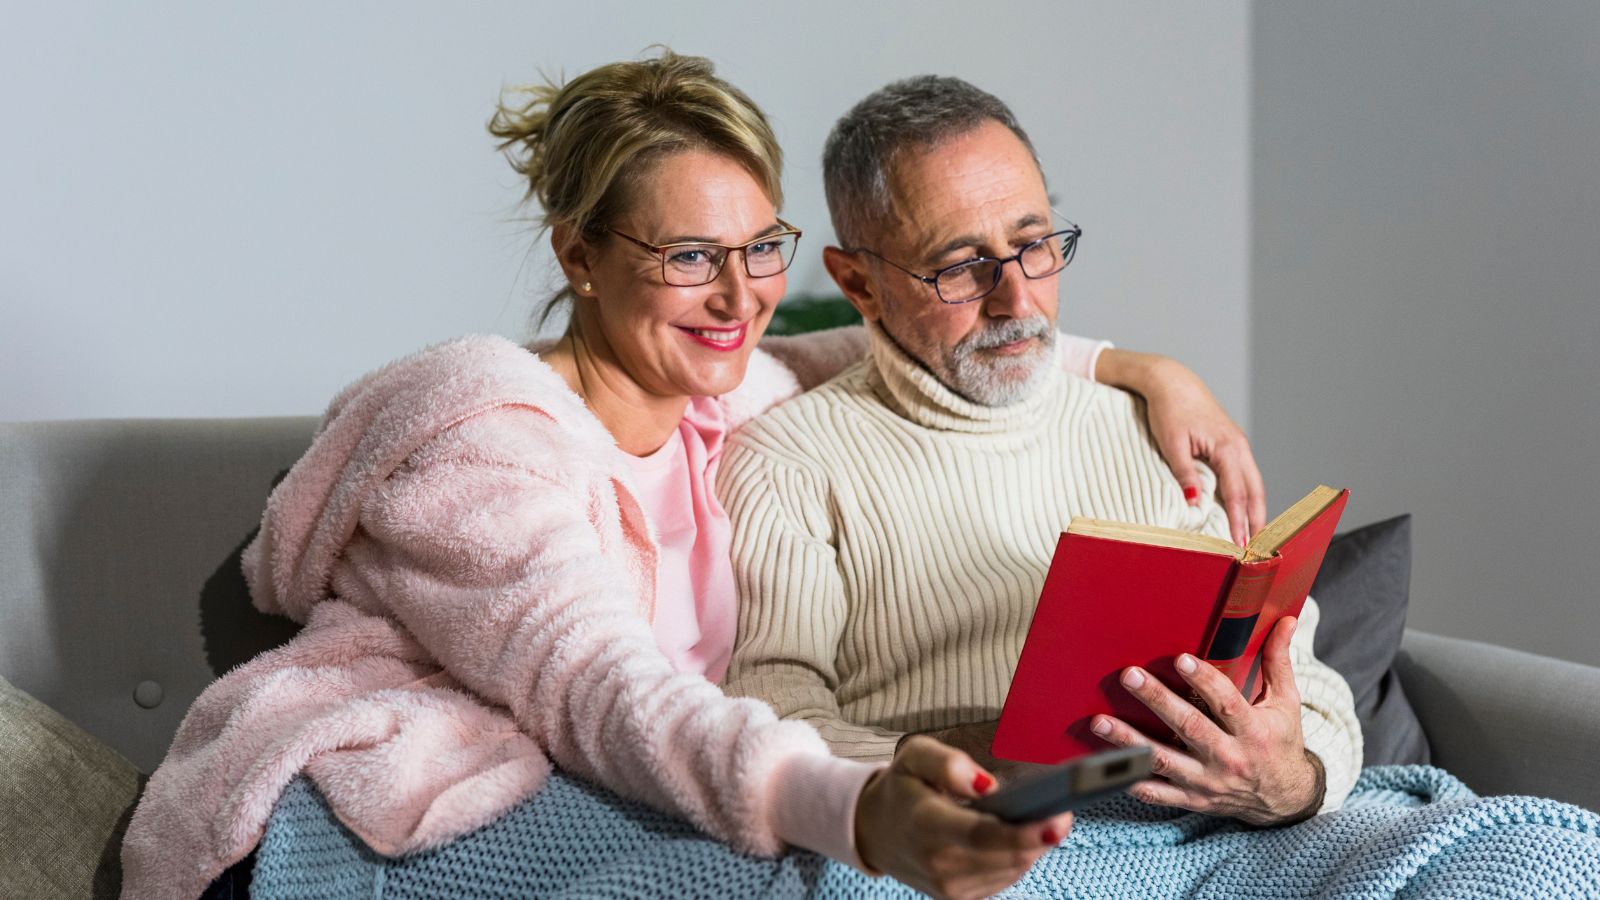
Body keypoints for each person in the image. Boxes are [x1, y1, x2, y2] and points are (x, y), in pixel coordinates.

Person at [120, 53, 1268, 900]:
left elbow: (928, 326)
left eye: (758, 249)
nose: (738, 299)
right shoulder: (481, 440)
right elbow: (602, 690)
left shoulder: (731, 393)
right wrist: (855, 806)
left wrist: (1142, 368)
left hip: (654, 777)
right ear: (578, 255)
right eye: (686, 258)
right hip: (389, 807)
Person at [719, 75, 1363, 828]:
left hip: (1223, 830)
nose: (1017, 300)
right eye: (961, 266)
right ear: (858, 282)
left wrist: (1285, 779)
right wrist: (993, 757)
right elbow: (772, 738)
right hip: (975, 837)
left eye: (1034, 245)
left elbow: (1314, 696)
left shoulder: (1153, 431)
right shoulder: (789, 463)